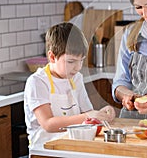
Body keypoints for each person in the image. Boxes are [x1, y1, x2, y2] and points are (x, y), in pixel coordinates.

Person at [24, 22, 115, 150]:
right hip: (46, 150)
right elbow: (48, 124)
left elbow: (87, 112)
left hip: (73, 146)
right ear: (52, 57)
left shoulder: (76, 78)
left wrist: (102, 114)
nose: (77, 68)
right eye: (71, 61)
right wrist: (88, 116)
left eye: (81, 60)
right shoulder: (37, 82)